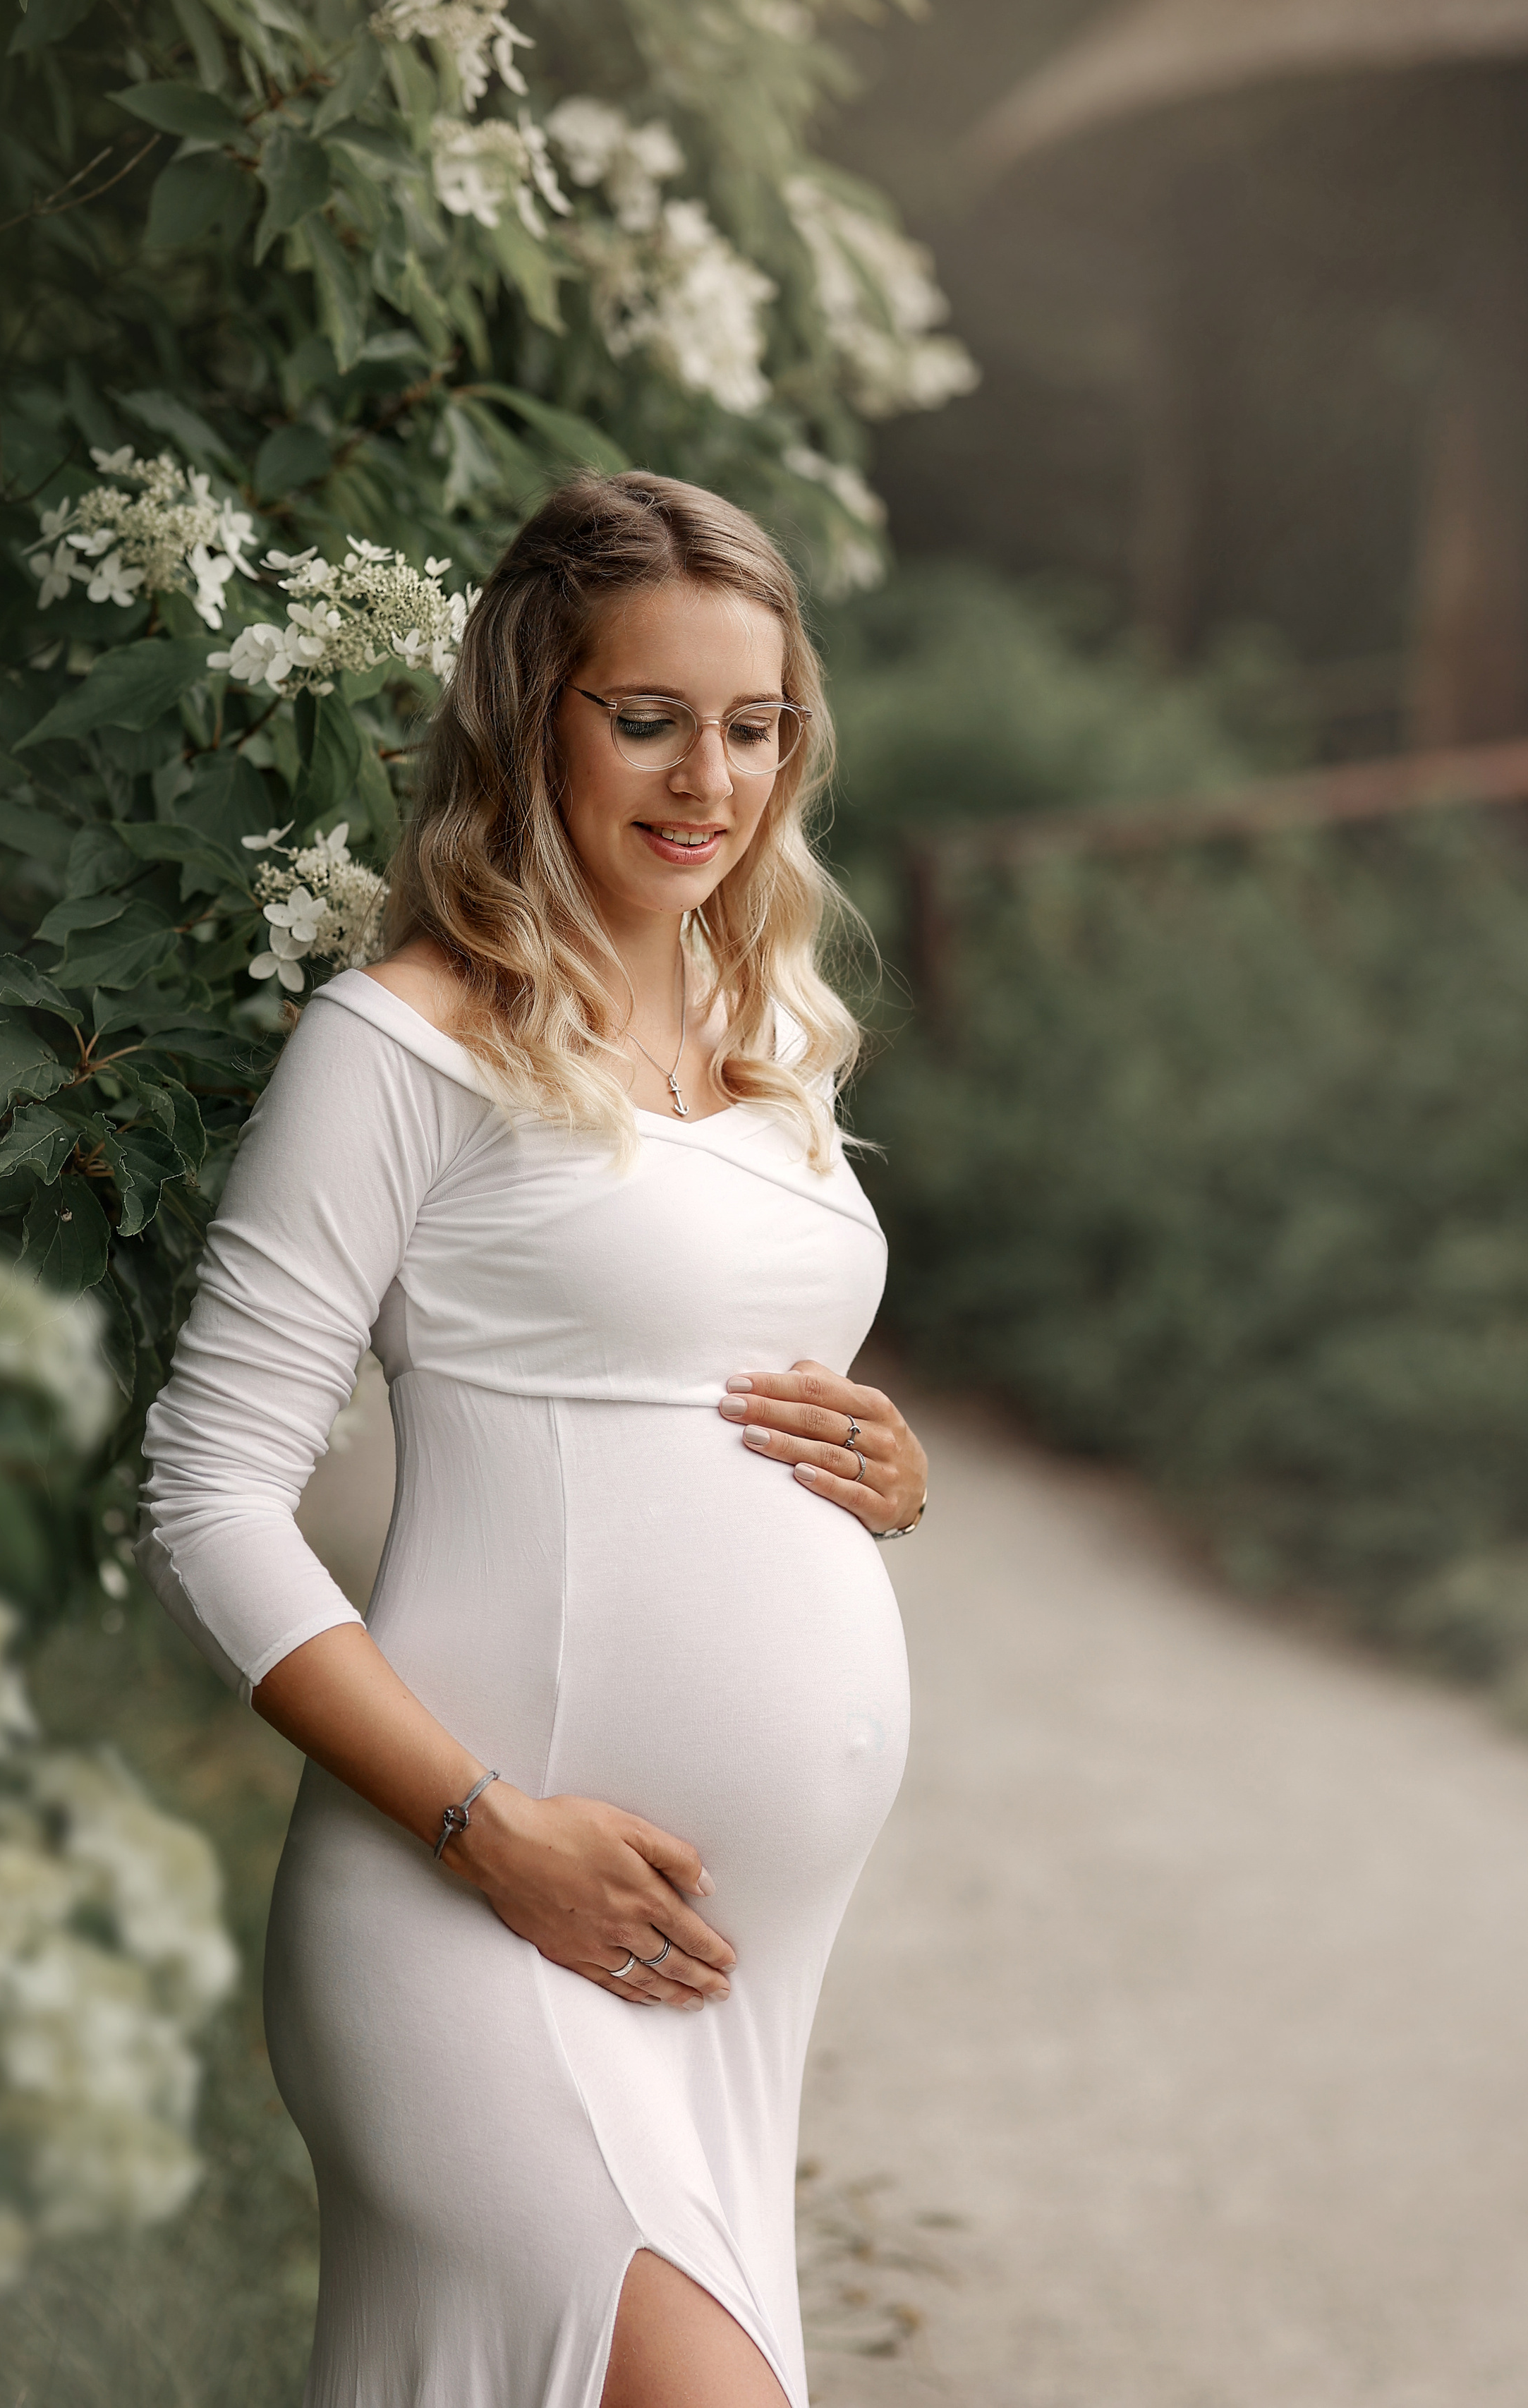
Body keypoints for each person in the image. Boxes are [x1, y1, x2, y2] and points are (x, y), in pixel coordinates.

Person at [138, 469, 929, 2408]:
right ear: (527, 717)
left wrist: (885, 1479)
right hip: (472, 1923)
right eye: (645, 717)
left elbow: (706, 1381)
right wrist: (491, 1833)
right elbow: (206, 1495)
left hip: (725, 1974)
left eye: (754, 729)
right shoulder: (404, 1041)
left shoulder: (776, 1044)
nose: (708, 781)